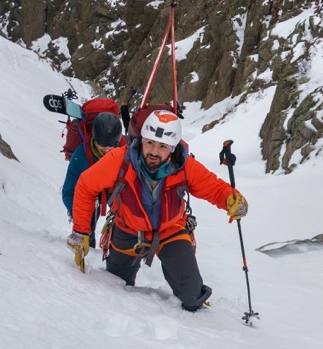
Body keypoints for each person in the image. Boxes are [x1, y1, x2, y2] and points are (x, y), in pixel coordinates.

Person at [67, 111, 248, 312]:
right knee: (114, 286)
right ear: (142, 140)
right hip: (127, 227)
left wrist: (230, 199)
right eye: (150, 143)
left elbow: (212, 187)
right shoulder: (120, 160)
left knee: (192, 296)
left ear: (172, 148)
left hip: (171, 229)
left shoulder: (184, 165)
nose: (154, 151)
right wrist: (81, 231)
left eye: (162, 146)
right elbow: (85, 185)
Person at [61, 110, 125, 233]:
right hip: (88, 192)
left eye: (110, 146)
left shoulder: (124, 150)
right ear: (95, 139)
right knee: (87, 226)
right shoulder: (81, 156)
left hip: (114, 190)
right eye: (102, 146)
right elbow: (68, 191)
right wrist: (79, 218)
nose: (106, 150)